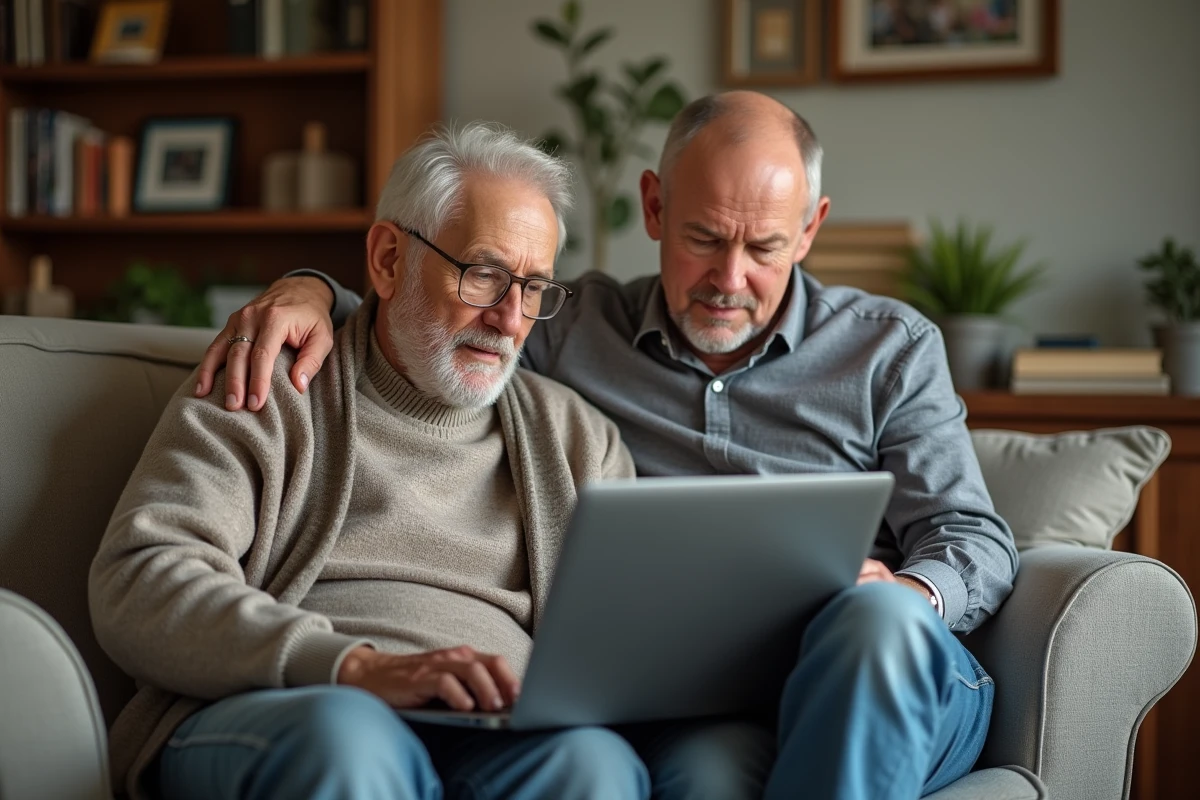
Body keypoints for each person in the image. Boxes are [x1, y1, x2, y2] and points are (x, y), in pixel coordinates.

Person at [203, 91, 1018, 800]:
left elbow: (974, 538)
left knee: (872, 622)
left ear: (811, 229)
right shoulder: (572, 325)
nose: (729, 278)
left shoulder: (889, 348)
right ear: (655, 208)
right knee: (700, 777)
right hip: (708, 695)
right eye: (703, 237)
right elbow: (437, 310)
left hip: (883, 670)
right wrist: (308, 289)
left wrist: (912, 595)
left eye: (765, 247)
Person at [89, 122, 648, 800]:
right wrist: (352, 667)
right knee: (350, 742)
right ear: (388, 259)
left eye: (533, 288)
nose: (509, 318)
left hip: (496, 732)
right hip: (299, 708)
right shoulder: (268, 382)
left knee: (595, 765)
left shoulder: (579, 440)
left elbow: (621, 653)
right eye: (484, 274)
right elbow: (139, 578)